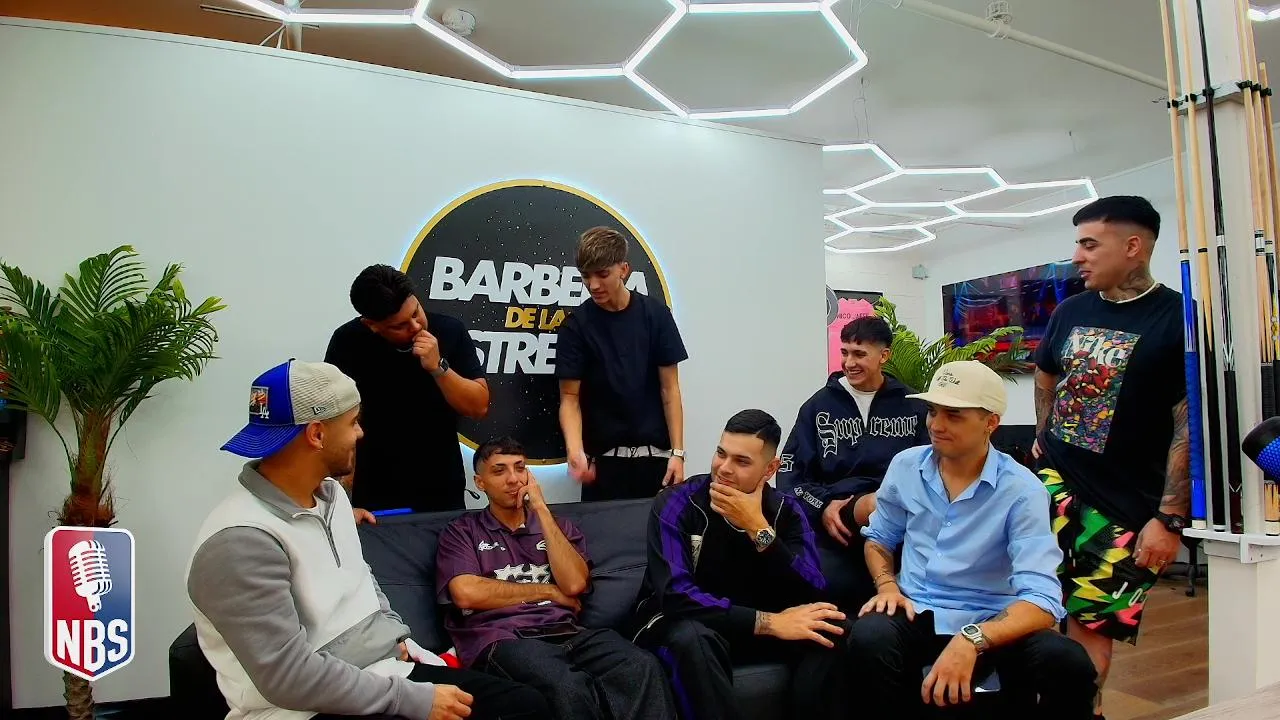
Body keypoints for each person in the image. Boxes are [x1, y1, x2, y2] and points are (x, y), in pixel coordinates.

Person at [187, 359, 550, 720]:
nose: (360, 434)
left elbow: (360, 577)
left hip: (380, 673)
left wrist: (392, 633)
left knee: (523, 705)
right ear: (316, 434)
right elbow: (288, 678)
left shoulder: (332, 495)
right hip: (300, 710)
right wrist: (412, 699)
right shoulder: (240, 542)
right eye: (352, 423)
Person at [850, 360, 1097, 720]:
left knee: (1068, 662)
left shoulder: (1022, 490)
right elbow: (879, 538)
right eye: (932, 411)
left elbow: (1042, 601)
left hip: (992, 621)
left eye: (953, 415)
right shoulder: (906, 466)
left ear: (991, 423)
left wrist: (972, 638)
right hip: (917, 611)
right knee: (869, 635)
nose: (936, 425)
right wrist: (887, 585)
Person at [1031, 196, 1190, 719]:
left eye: (1089, 244)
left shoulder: (1179, 318)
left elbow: (1188, 423)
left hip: (1124, 508)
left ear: (1133, 246)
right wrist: (1044, 432)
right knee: (1030, 606)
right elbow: (1046, 371)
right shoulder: (1071, 311)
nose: (1077, 256)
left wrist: (1169, 518)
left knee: (1091, 628)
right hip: (1052, 487)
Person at [435, 437, 675, 720]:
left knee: (641, 665)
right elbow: (465, 592)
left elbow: (574, 584)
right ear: (480, 483)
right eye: (499, 471)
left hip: (567, 632)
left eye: (520, 468)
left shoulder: (557, 526)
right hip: (504, 637)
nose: (513, 479)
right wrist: (548, 592)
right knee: (566, 686)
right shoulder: (463, 531)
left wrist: (541, 510)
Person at [632, 409, 850, 720]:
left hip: (748, 626)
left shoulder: (786, 511)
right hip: (681, 623)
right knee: (693, 638)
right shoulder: (677, 503)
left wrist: (758, 528)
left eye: (742, 461)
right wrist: (769, 622)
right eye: (721, 453)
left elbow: (813, 588)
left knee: (831, 627)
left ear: (770, 469)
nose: (724, 469)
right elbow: (675, 594)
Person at [776, 314, 930, 608]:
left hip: (901, 530)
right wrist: (823, 506)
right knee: (821, 587)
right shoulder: (817, 406)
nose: (849, 363)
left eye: (859, 354)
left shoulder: (914, 406)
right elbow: (790, 476)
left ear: (884, 355)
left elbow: (931, 471)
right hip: (836, 533)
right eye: (844, 352)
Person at [324, 264, 489, 513]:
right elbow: (336, 421)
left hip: (440, 486)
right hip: (375, 489)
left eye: (416, 312)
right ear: (371, 324)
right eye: (399, 326)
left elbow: (479, 406)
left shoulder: (450, 330)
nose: (416, 326)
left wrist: (439, 368)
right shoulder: (347, 341)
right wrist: (342, 493)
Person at [555, 226, 689, 501]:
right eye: (586, 276)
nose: (593, 285)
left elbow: (670, 389)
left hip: (657, 463)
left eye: (602, 274)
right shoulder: (576, 326)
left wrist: (678, 453)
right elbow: (569, 398)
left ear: (623, 270)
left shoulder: (656, 315)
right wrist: (575, 450)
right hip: (604, 467)